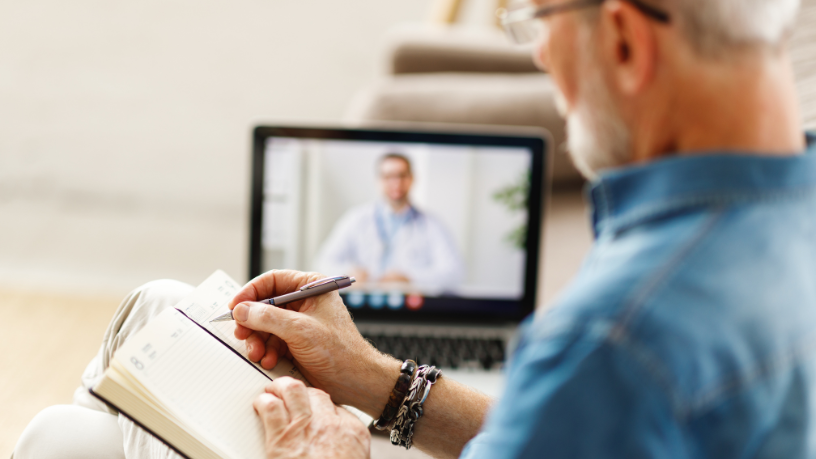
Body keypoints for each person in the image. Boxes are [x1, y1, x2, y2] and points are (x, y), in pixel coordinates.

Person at [13, 0, 816, 458]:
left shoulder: (614, 341)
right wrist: (377, 380)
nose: (540, 60)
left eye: (539, 22)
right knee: (165, 307)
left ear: (624, 40)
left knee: (65, 439)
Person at [314, 153, 464, 290]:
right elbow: (323, 263)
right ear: (378, 180)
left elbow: (453, 274)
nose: (396, 182)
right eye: (388, 176)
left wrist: (410, 278)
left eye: (401, 175)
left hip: (411, 311)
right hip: (362, 306)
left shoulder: (432, 225)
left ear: (411, 179)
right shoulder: (356, 219)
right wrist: (349, 273)